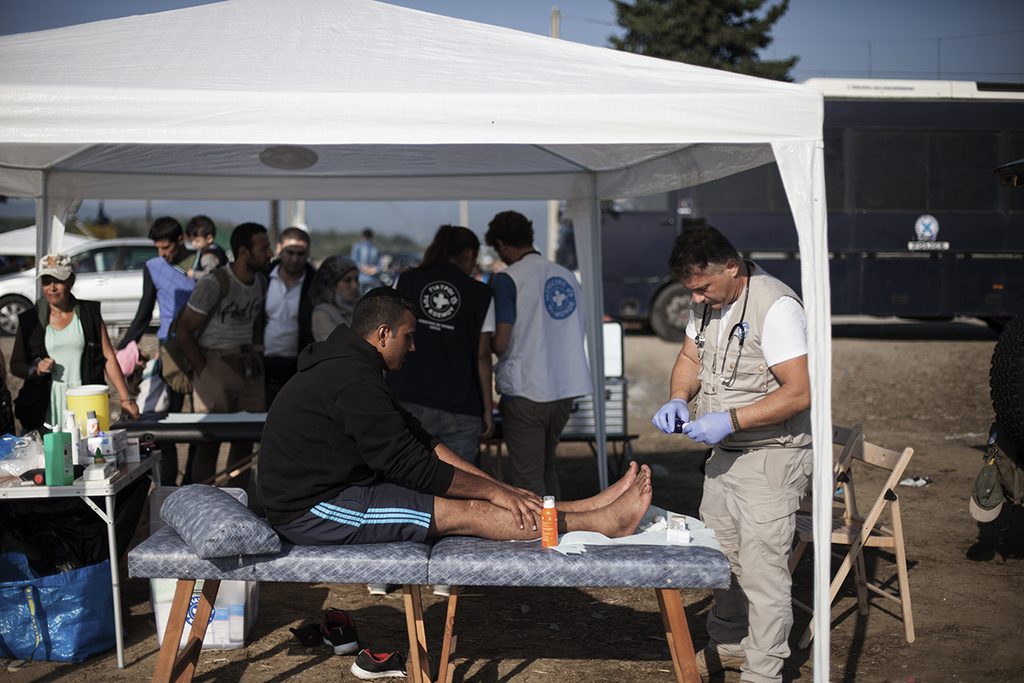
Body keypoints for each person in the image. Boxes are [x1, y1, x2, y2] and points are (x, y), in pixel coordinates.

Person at [259, 287, 652, 548]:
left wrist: (497, 486)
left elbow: (421, 440)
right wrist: (491, 493)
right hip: (309, 511)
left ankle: (590, 509)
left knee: (492, 494)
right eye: (408, 337)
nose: (413, 347)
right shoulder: (351, 379)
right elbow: (410, 466)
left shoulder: (355, 368)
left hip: (336, 492)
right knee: (466, 511)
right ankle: (601, 523)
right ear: (382, 334)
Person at [651, 225, 811, 683]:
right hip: (725, 456)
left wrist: (732, 419)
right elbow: (690, 358)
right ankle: (729, 644)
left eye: (702, 287)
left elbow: (800, 392)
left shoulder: (776, 307)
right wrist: (678, 397)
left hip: (771, 455)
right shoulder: (707, 304)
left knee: (762, 572)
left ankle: (763, 671)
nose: (696, 298)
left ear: (732, 267)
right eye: (690, 290)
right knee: (721, 560)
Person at [483, 210, 592, 498]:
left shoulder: (508, 279)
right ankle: (553, 523)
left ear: (502, 244)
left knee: (527, 478)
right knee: (547, 466)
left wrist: (484, 344)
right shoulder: (567, 276)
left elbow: (501, 343)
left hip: (526, 391)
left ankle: (539, 528)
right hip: (564, 391)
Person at [388, 225, 495, 465]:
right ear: (469, 254)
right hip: (461, 404)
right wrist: (487, 410)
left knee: (408, 476)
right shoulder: (481, 294)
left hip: (408, 396)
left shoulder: (406, 281)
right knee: (461, 480)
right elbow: (482, 354)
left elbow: (388, 336)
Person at [176, 223, 272, 489]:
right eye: (263, 247)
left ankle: (237, 501)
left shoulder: (260, 282)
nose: (269, 253)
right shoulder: (215, 282)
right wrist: (204, 372)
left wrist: (257, 353)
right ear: (244, 252)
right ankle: (201, 503)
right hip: (216, 362)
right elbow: (184, 331)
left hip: (248, 367)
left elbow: (256, 321)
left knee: (245, 440)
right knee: (210, 442)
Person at [10, 254, 139, 432]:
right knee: (49, 449)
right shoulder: (29, 320)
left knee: (87, 446)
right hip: (44, 405)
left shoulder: (89, 313)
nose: (52, 287)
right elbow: (16, 365)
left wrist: (126, 398)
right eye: (46, 281)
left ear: (71, 281)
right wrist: (35, 370)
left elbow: (108, 356)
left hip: (86, 399)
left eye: (58, 280)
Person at [117, 216, 197, 484]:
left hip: (203, 349)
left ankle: (195, 479)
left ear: (180, 240)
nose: (162, 253)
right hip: (170, 350)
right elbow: (145, 309)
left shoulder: (202, 263)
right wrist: (123, 346)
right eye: (158, 248)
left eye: (167, 247)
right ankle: (169, 483)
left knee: (202, 419)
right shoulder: (153, 267)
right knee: (168, 418)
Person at [263, 227, 316, 408]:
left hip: (299, 366)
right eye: (290, 252)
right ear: (279, 249)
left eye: (300, 254)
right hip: (264, 364)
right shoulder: (263, 278)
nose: (295, 259)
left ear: (308, 253)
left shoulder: (315, 283)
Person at [309, 255, 360, 342]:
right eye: (347, 280)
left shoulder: (360, 307)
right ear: (332, 284)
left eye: (356, 279)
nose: (355, 286)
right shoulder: (322, 313)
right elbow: (336, 347)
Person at [186, 215, 228, 279]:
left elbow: (210, 275)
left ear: (209, 238)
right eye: (192, 240)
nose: (193, 244)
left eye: (197, 241)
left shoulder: (209, 256)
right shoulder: (216, 248)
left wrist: (193, 274)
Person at [350, 228, 381, 294]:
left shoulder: (357, 247)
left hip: (363, 279)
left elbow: (353, 262)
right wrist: (373, 269)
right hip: (370, 279)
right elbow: (379, 265)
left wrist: (365, 268)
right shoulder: (375, 248)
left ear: (362, 236)